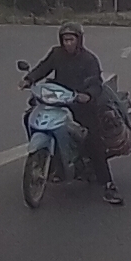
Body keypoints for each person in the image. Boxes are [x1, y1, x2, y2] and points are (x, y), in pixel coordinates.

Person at [20, 21, 124, 205]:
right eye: (65, 39)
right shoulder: (56, 54)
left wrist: (87, 95)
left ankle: (108, 185)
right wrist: (29, 79)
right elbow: (43, 68)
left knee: (93, 140)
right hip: (57, 99)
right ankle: (49, 159)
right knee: (29, 116)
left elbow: (96, 83)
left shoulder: (89, 60)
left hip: (79, 104)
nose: (68, 43)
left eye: (71, 39)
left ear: (79, 40)